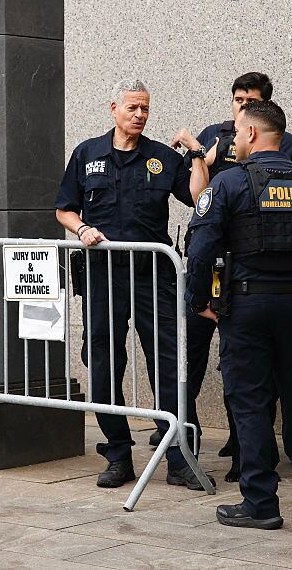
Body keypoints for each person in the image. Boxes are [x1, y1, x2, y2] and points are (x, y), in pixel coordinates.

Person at [186, 100, 292, 529]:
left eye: (236, 133)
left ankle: (260, 503)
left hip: (248, 307)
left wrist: (198, 303)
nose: (233, 140)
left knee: (251, 403)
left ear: (252, 134)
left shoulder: (231, 184)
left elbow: (200, 254)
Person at [55, 78, 212, 491]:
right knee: (104, 362)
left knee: (167, 363)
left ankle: (179, 459)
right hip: (104, 276)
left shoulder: (162, 157)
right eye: (133, 108)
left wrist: (196, 152)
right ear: (114, 108)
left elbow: (198, 198)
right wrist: (82, 228)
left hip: (152, 277)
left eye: (145, 108)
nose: (140, 115)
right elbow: (64, 209)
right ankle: (118, 454)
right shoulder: (87, 154)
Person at [168, 72, 292, 483]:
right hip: (220, 275)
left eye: (251, 100)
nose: (242, 107)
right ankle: (184, 447)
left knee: (248, 376)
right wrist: (198, 155)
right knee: (190, 364)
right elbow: (195, 199)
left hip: (251, 278)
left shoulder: (287, 147)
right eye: (238, 99)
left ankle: (248, 458)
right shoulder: (214, 137)